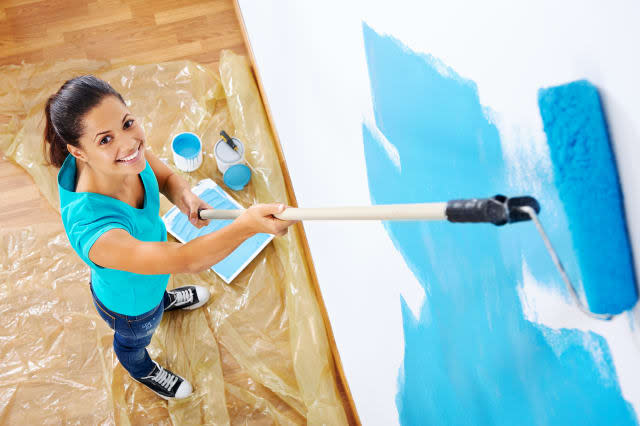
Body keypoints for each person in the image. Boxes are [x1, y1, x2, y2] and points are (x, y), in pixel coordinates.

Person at [44, 75, 297, 400]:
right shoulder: (94, 230)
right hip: (130, 306)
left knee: (157, 295)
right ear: (79, 152)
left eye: (127, 123)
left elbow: (163, 174)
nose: (129, 143)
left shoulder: (126, 157)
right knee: (135, 339)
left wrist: (184, 194)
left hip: (152, 278)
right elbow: (186, 259)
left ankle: (164, 301)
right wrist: (247, 225)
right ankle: (142, 369)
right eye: (105, 140)